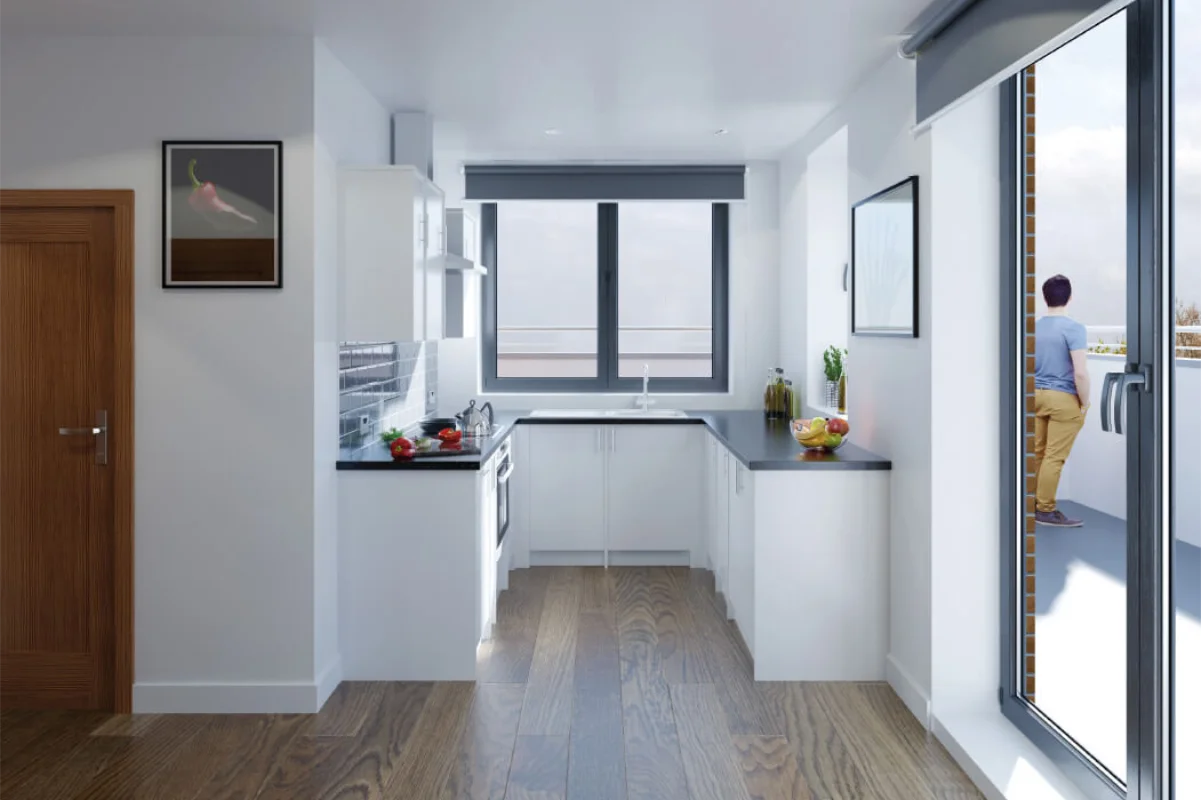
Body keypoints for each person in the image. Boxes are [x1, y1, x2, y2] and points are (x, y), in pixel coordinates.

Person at [1033, 274, 1091, 527]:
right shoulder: (1074, 329)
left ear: (1045, 297)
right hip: (1062, 398)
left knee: (1037, 453)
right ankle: (1045, 510)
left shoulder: (1032, 327)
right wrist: (1084, 403)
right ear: (1069, 297)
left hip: (1034, 396)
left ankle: (1030, 505)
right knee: (1054, 457)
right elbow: (1080, 372)